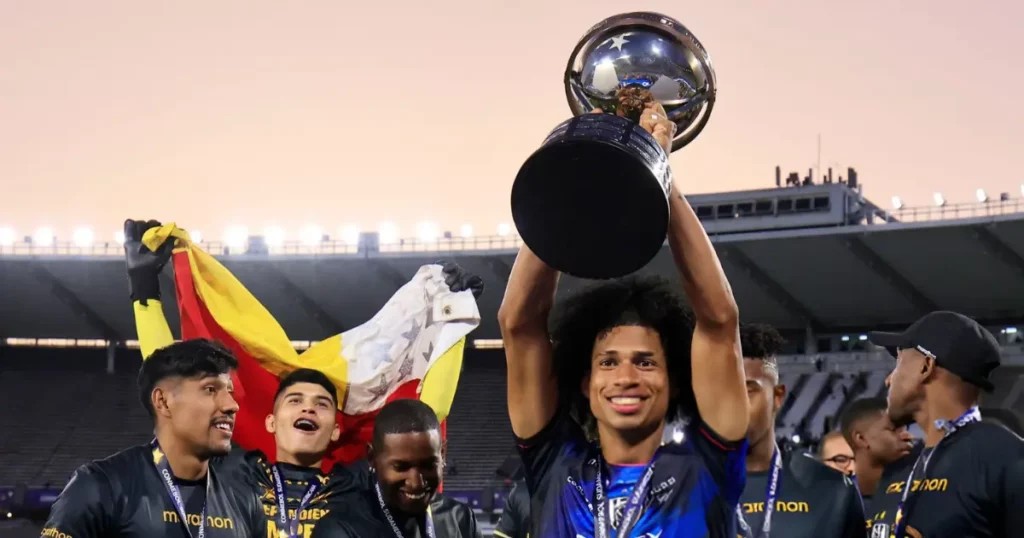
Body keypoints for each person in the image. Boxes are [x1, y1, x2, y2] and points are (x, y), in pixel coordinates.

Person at [123, 218, 484, 536]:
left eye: (322, 404)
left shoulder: (358, 483)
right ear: (270, 420)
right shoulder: (234, 472)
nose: (308, 408)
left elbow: (427, 411)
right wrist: (144, 292)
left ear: (337, 428)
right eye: (295, 400)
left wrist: (452, 320)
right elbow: (174, 388)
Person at [498, 103, 750, 537]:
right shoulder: (554, 465)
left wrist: (657, 174)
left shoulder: (707, 471)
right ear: (585, 383)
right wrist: (573, 178)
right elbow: (519, 324)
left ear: (675, 382)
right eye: (608, 362)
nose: (626, 377)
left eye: (646, 362)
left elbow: (719, 321)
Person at [40, 339, 267, 537]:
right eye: (210, 389)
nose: (232, 405)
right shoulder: (100, 486)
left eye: (229, 391)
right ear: (163, 402)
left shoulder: (244, 499)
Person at [866, 311, 1024, 537]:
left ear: (925, 366)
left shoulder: (1005, 461)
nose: (889, 379)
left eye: (899, 362)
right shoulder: (898, 470)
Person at [738, 323, 864, 538]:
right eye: (721, 392)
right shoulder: (676, 488)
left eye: (748, 391)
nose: (732, 404)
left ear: (777, 397)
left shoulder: (833, 491)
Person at [311, 399, 481, 537]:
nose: (416, 483)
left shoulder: (461, 520)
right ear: (372, 459)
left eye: (428, 465)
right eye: (401, 467)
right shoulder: (339, 528)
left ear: (442, 454)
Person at [837, 397, 914, 509]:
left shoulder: (919, 492)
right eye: (893, 429)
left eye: (905, 429)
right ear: (861, 439)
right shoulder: (837, 503)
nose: (908, 436)